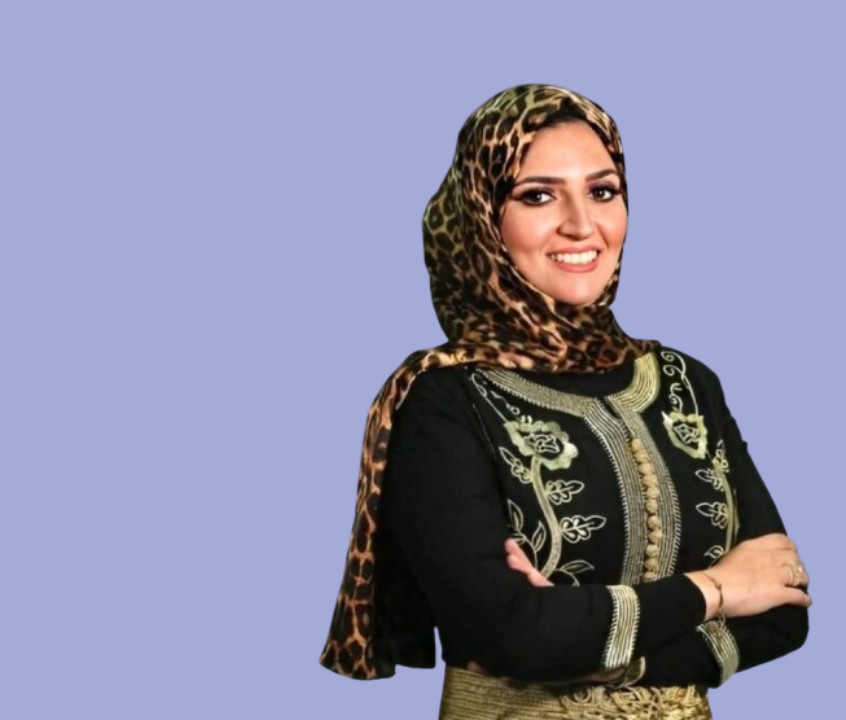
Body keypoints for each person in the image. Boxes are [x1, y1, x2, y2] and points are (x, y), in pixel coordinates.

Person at [320, 84, 811, 719]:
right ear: (483, 217)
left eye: (603, 192)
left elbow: (783, 608)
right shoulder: (443, 399)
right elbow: (514, 632)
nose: (582, 224)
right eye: (538, 195)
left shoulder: (686, 383)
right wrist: (719, 588)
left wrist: (601, 648)